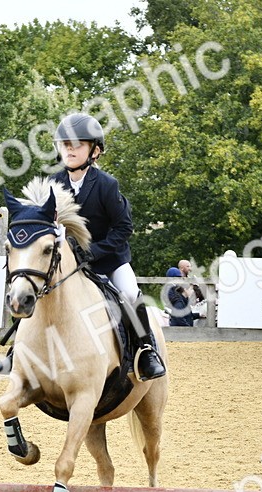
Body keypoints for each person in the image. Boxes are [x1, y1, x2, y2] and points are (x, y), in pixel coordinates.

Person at [48, 113, 165, 380]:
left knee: (129, 292)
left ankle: (146, 351)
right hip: (69, 263)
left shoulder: (107, 185)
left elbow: (123, 228)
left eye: (77, 144)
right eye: (65, 144)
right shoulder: (53, 184)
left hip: (109, 261)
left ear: (95, 151)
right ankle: (19, 352)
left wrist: (93, 252)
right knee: (39, 289)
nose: (70, 149)